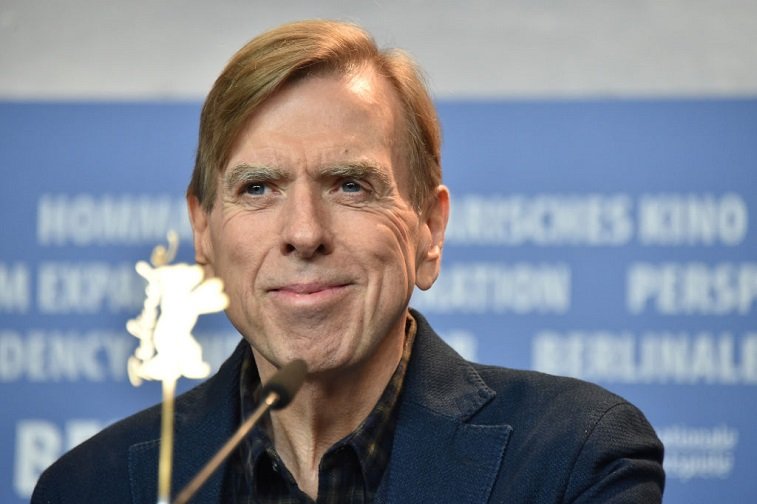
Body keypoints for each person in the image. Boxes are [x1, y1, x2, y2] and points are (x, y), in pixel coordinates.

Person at [32, 19, 664, 503]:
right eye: (258, 188)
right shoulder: (89, 487)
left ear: (429, 229)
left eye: (350, 185)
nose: (304, 233)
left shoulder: (574, 459)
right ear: (204, 233)